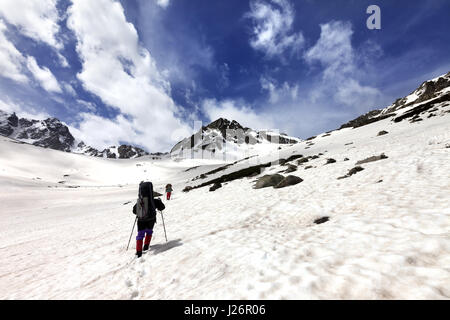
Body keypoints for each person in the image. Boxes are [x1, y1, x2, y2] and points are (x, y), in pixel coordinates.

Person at [133, 181, 165, 258]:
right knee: (149, 232)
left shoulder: (140, 202)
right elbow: (162, 207)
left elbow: (134, 211)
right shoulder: (154, 201)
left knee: (140, 235)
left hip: (141, 221)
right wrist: (159, 203)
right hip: (151, 219)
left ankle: (139, 251)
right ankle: (146, 246)